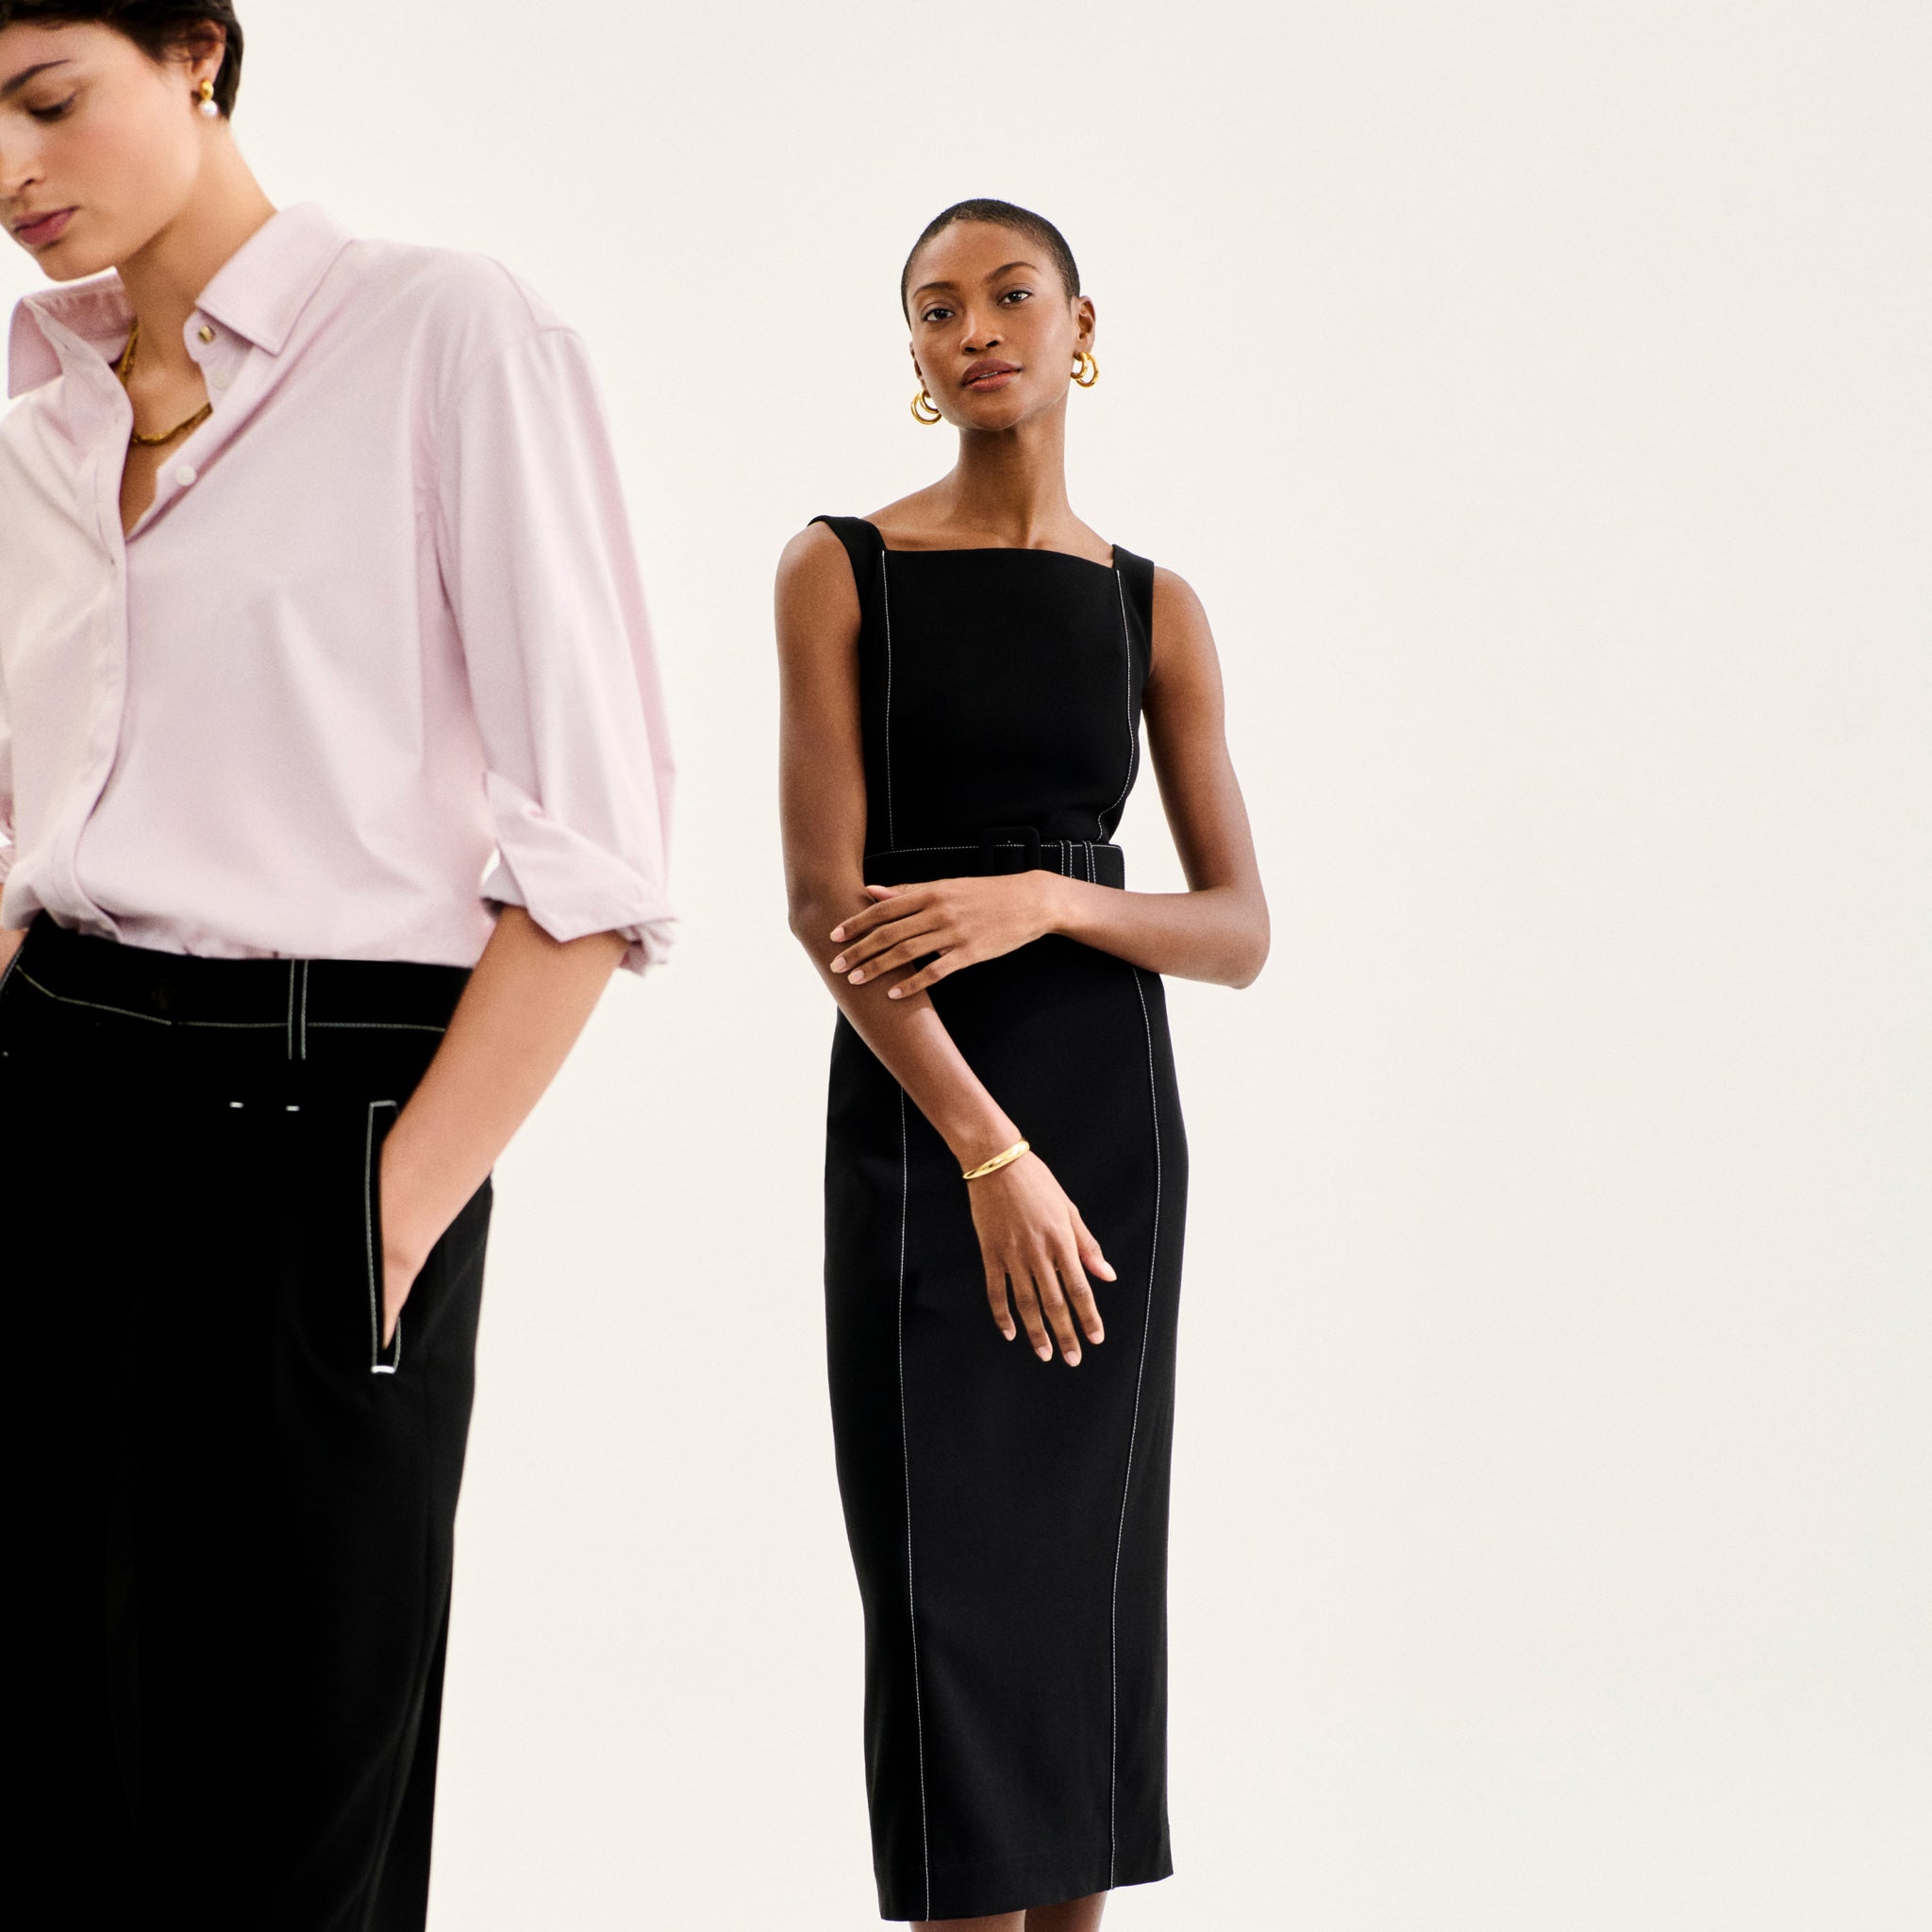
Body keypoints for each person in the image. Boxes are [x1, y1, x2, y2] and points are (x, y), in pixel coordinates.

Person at [0, 6, 674, 1925]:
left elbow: (593, 848)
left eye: (48, 101)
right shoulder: (38, 422)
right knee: (53, 1787)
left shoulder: (443, 334)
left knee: (285, 1817)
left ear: (197, 53)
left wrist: (387, 1216)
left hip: (315, 1114)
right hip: (49, 1098)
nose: (9, 172)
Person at [776, 198, 1269, 1929]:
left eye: (1008, 295)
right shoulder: (841, 567)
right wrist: (989, 1157)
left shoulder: (1154, 607)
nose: (973, 328)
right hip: (929, 1127)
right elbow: (826, 908)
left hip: (1112, 1121)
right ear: (914, 353)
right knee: (949, 1597)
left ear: (1080, 325)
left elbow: (1237, 930)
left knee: (1083, 1589)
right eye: (936, 308)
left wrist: (1048, 897)